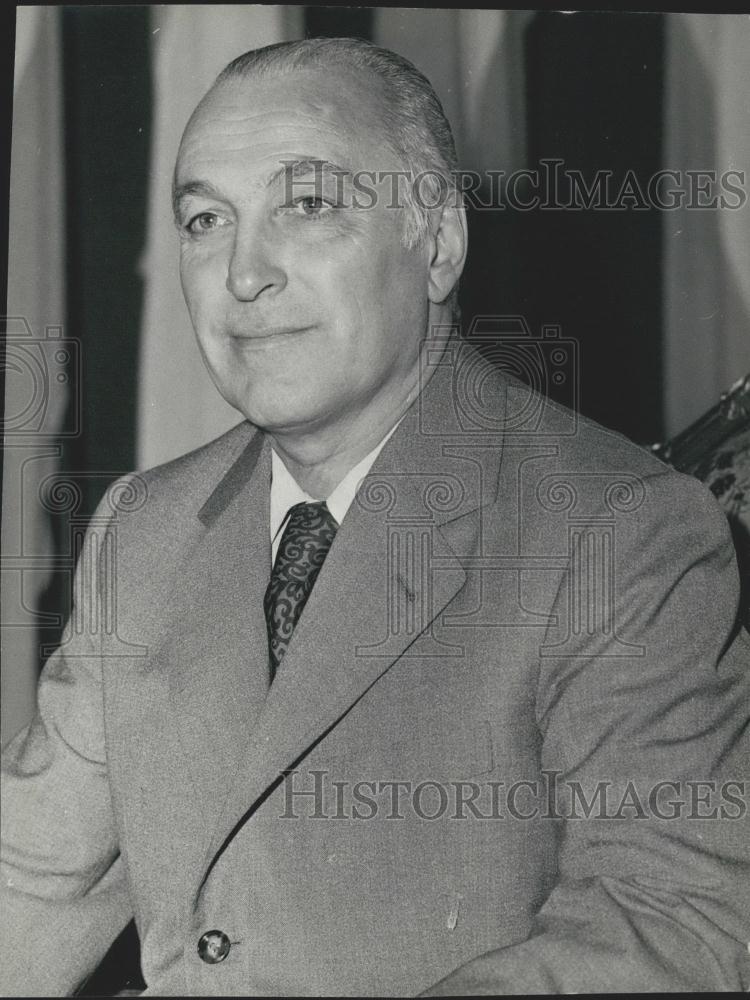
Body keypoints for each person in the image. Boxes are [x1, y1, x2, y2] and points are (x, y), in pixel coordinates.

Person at [2, 37, 749, 997]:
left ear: (437, 242)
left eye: (306, 205)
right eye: (203, 219)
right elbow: (29, 878)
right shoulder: (144, 527)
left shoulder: (619, 531)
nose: (242, 274)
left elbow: (675, 923)